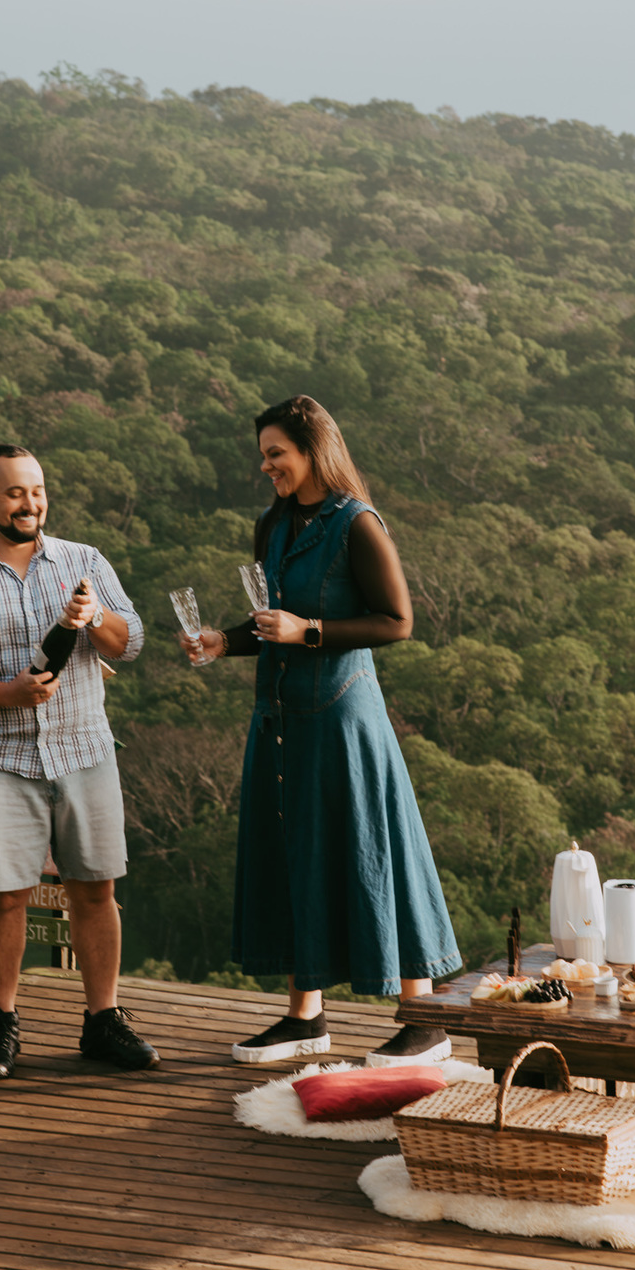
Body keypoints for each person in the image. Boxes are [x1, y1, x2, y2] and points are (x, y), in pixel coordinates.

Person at [186, 395, 462, 1065]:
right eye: (264, 455)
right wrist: (223, 641)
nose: (266, 466)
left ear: (313, 450)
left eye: (276, 454)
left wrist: (308, 631)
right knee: (293, 852)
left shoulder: (358, 524)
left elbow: (396, 622)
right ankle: (304, 1018)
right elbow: (267, 620)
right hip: (280, 719)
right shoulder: (272, 525)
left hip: (344, 719)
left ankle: (422, 1018)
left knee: (376, 848)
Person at [0, 443, 159, 1081]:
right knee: (4, 898)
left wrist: (93, 617)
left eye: (38, 490)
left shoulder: (84, 562)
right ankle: (0, 1026)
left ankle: (102, 1022)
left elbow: (130, 641)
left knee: (96, 889)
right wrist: (8, 694)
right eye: (16, 492)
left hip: (84, 748)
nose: (31, 503)